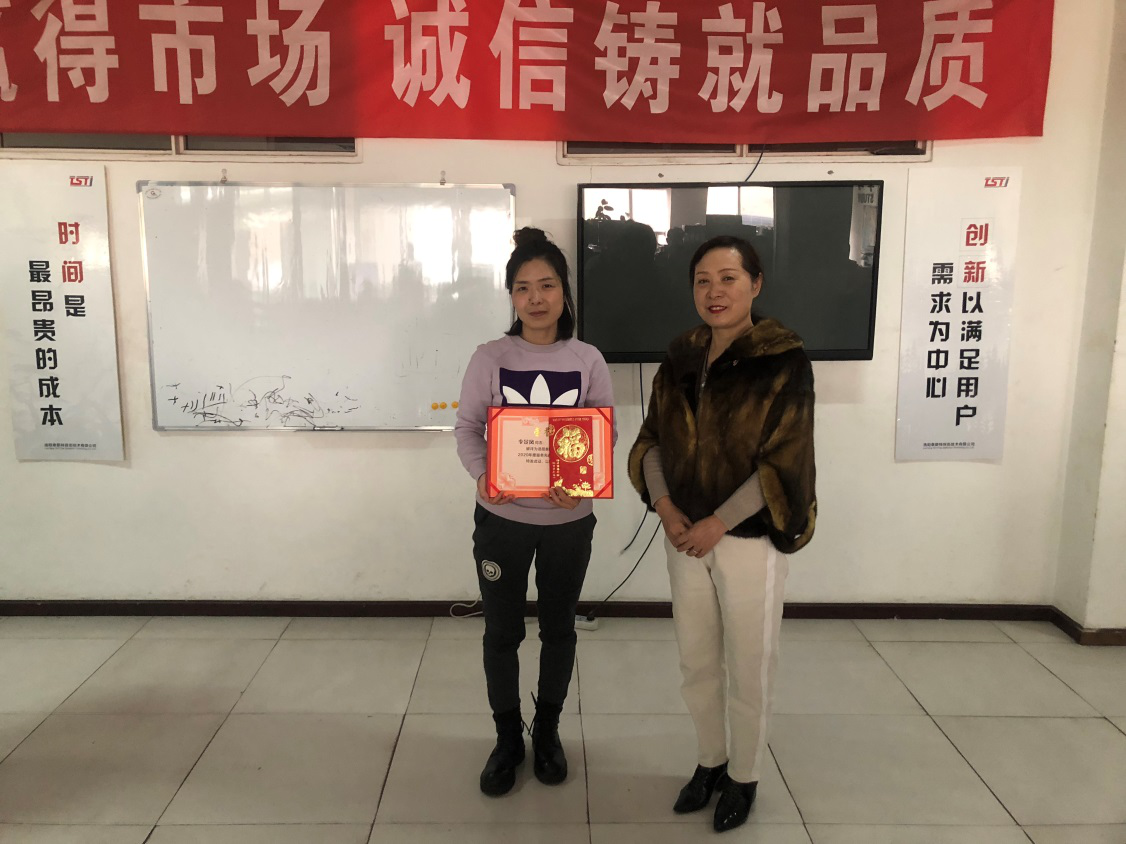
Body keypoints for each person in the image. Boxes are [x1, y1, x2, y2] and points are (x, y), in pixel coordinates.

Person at [628, 235, 816, 832]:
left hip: (747, 541)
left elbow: (784, 463)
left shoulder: (783, 360)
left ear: (755, 285)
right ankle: (710, 761)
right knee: (697, 661)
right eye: (703, 280)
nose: (715, 291)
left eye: (729, 278)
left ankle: (744, 774)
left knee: (750, 663)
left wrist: (719, 523)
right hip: (684, 537)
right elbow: (651, 440)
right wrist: (665, 508)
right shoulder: (680, 356)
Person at [455, 227, 615, 797]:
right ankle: (507, 739)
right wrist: (484, 476)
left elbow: (602, 432)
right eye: (523, 288)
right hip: (502, 522)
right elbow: (468, 429)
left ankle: (546, 731)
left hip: (568, 523)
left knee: (558, 630)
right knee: (501, 633)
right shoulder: (490, 357)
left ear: (564, 292)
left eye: (547, 285)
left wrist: (581, 481)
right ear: (511, 296)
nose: (536, 298)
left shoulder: (587, 358)